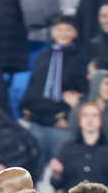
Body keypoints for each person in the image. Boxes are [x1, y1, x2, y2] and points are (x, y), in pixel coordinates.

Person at [20, 16, 88, 175]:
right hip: (36, 120)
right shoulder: (42, 56)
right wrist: (24, 107)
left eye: (68, 29)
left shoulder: (80, 60)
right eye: (59, 29)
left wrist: (68, 116)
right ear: (52, 32)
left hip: (60, 124)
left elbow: (82, 94)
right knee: (31, 168)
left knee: (62, 168)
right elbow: (33, 85)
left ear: (75, 33)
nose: (63, 33)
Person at [49, 102, 108, 193]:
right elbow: (56, 184)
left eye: (94, 115)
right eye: (85, 115)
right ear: (79, 121)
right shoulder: (66, 147)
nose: (90, 120)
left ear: (101, 120)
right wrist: (57, 174)